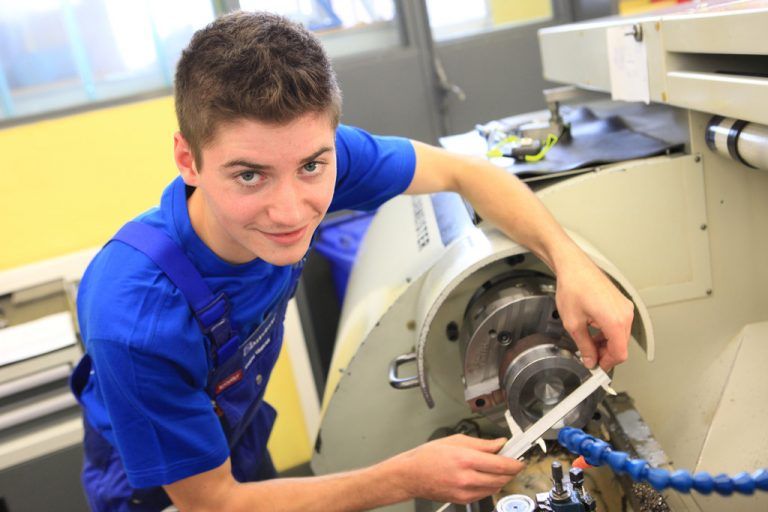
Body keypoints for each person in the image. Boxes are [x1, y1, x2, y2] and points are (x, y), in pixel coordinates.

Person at [70, 10, 634, 512]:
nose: (291, 210)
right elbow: (212, 501)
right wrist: (403, 477)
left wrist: (571, 264)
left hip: (234, 442)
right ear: (187, 160)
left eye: (312, 167)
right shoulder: (137, 320)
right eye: (249, 175)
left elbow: (467, 172)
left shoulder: (313, 157)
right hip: (158, 493)